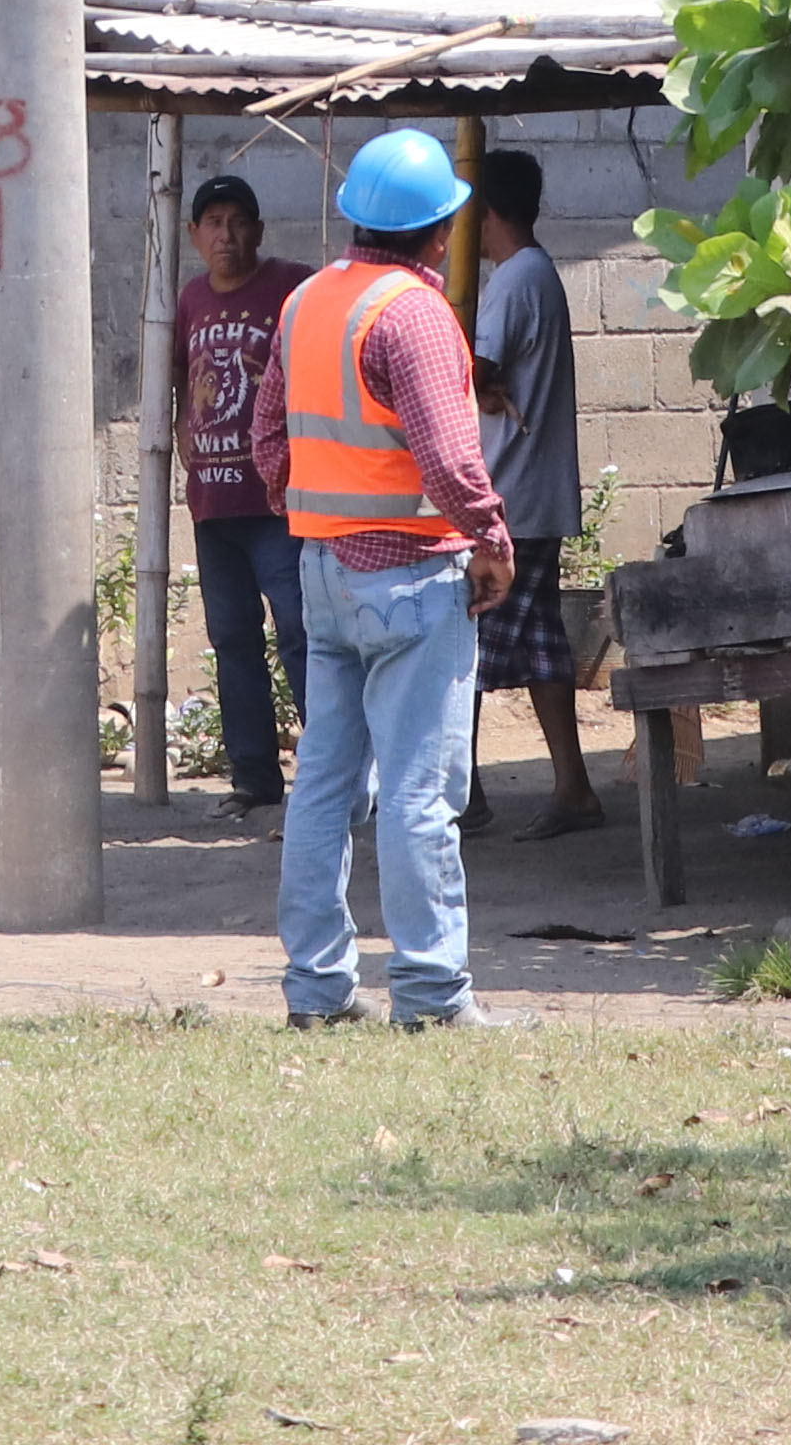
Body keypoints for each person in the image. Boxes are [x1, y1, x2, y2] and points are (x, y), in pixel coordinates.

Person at [254, 125, 515, 1031]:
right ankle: (434, 1000)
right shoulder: (413, 313)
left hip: (321, 570)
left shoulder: (305, 304)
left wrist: (322, 510)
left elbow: (267, 444)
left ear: (355, 219)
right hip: (411, 575)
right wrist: (490, 537)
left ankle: (319, 994)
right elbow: (448, 456)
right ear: (439, 228)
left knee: (324, 787)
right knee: (419, 795)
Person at [460, 146, 605, 838]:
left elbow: (468, 367)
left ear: (483, 213)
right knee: (544, 647)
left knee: (461, 647)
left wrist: (472, 382)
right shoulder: (535, 274)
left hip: (510, 499)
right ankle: (573, 788)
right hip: (534, 495)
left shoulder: (515, 280)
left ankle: (461, 792)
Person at [172, 173, 314, 814]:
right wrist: (192, 465)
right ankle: (254, 779)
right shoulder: (189, 301)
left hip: (277, 506)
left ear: (258, 230)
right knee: (233, 640)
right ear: (196, 235)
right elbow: (182, 390)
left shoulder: (291, 286)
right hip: (215, 509)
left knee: (302, 634)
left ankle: (331, 768)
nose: (225, 235)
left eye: (238, 221)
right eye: (213, 223)